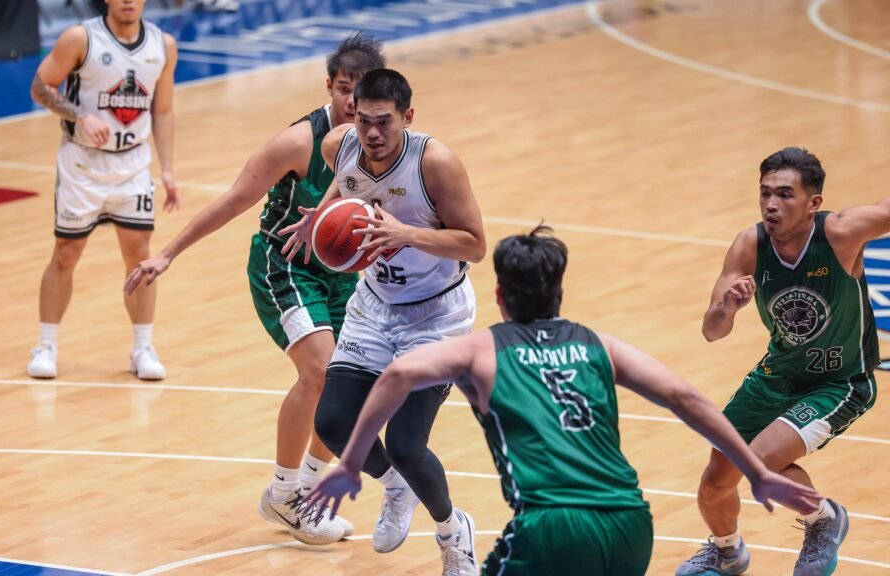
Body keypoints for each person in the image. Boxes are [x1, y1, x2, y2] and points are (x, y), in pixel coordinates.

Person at [303, 226, 823, 576]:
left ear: (501, 298)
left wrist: (351, 464)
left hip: (552, 527)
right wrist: (753, 469)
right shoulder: (600, 344)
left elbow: (397, 374)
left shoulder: (483, 349)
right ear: (560, 296)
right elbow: (686, 397)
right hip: (630, 524)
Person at [124, 33, 387, 544]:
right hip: (284, 265)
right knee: (320, 373)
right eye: (342, 89)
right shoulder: (297, 143)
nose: (351, 102)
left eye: (360, 91)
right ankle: (287, 492)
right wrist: (167, 253)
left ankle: (302, 496)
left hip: (343, 272)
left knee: (347, 386)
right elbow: (232, 201)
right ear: (328, 87)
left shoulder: (381, 141)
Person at [279, 68, 487, 574]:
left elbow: (476, 245)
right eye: (364, 121)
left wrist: (407, 234)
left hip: (437, 315)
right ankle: (395, 488)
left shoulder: (435, 163)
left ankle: (452, 531)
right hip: (374, 306)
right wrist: (322, 217)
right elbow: (345, 189)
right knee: (332, 422)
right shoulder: (339, 146)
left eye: (384, 123)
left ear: (407, 118)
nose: (372, 133)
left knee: (408, 443)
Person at [676, 147, 879, 576]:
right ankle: (727, 551)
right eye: (765, 193)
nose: (771, 204)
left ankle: (823, 520)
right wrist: (727, 307)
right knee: (715, 483)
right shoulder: (750, 244)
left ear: (814, 204)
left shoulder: (840, 234)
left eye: (785, 195)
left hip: (839, 381)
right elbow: (712, 331)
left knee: (761, 462)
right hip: (778, 375)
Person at [28, 0, 179, 381]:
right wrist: (79, 115)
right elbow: (40, 86)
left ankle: (142, 347)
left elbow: (162, 110)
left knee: (140, 256)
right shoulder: (80, 38)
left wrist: (168, 169)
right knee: (66, 252)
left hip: (133, 165)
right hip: (83, 163)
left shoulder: (164, 45)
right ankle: (46, 344)